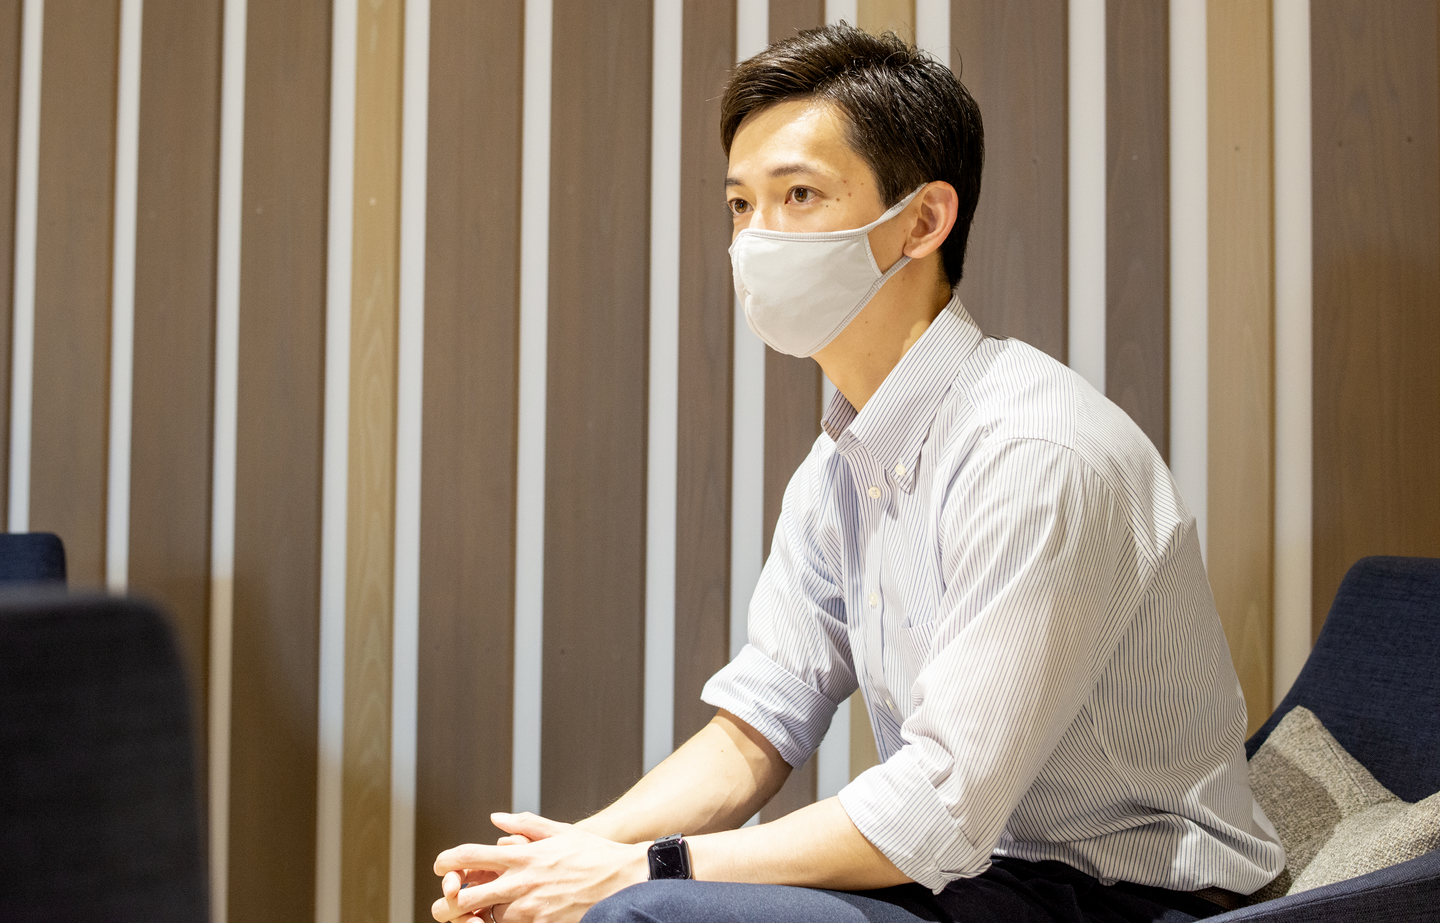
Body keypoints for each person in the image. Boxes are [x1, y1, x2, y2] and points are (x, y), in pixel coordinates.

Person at [432, 24, 1284, 923]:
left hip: (1125, 893)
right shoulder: (843, 460)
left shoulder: (1034, 453)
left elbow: (936, 804)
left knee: (645, 914)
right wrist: (563, 856)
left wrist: (640, 871)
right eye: (740, 204)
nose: (756, 239)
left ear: (923, 221)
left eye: (798, 194)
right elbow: (759, 721)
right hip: (974, 871)